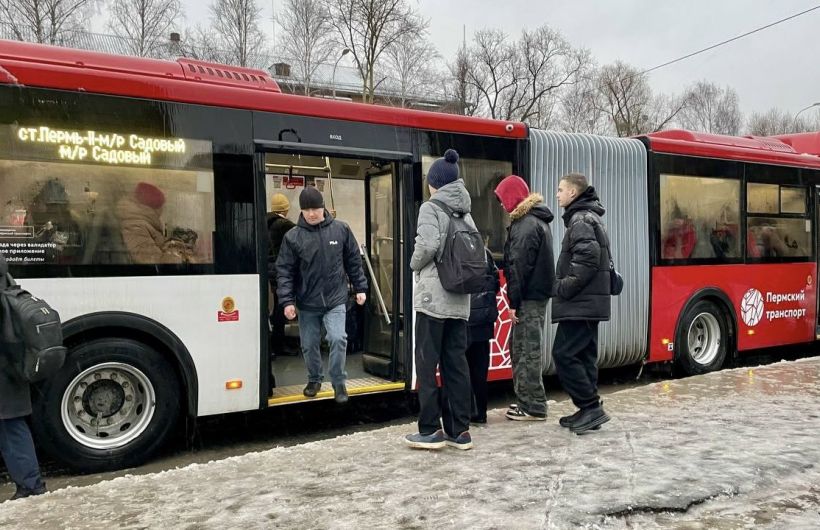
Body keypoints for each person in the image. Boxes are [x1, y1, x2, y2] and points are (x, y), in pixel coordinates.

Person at [404, 148, 474, 451]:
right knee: (455, 365)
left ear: (436, 183)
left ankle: (430, 429)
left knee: (427, 363)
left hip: (433, 299)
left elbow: (428, 244)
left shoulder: (431, 208)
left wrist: (413, 263)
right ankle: (460, 431)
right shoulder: (466, 210)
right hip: (460, 300)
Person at [276, 186, 368, 404]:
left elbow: (353, 260)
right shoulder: (292, 237)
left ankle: (338, 382)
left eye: (315, 208)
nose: (311, 213)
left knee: (338, 338)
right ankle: (314, 379)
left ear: (323, 207)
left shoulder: (341, 230)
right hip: (307, 302)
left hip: (336, 299)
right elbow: (285, 271)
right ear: (302, 211)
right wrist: (287, 301)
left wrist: (360, 287)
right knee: (309, 344)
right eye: (307, 209)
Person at [553, 172, 612, 434]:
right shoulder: (588, 217)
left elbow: (587, 259)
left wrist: (563, 287)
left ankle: (590, 406)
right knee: (584, 355)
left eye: (560, 189)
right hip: (589, 303)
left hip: (581, 303)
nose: (557, 194)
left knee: (564, 354)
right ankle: (589, 409)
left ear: (573, 193)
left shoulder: (580, 219)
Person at [494, 174, 555, 421]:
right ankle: (529, 401)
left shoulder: (525, 225)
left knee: (525, 350)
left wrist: (513, 304)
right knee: (524, 348)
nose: (500, 204)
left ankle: (533, 405)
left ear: (512, 197)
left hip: (528, 299)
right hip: (535, 297)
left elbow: (518, 269)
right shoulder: (535, 221)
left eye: (501, 198)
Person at [0, 253, 47, 501]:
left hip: (4, 369)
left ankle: (31, 486)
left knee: (9, 426)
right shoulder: (7, 284)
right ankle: (30, 483)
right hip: (11, 366)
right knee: (10, 424)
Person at [117, 182, 193, 264]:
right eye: (161, 207)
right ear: (154, 208)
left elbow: (156, 248)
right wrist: (181, 259)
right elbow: (152, 261)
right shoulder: (135, 227)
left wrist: (170, 246)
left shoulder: (143, 223)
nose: (162, 211)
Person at [465, 248, 499, 424]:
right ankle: (480, 413)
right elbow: (496, 283)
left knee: (462, 367)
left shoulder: (456, 249)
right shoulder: (485, 252)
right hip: (484, 318)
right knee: (479, 369)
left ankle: (466, 412)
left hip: (465, 319)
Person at [266, 193, 296, 357]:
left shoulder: (265, 221)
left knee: (274, 306)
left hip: (268, 270)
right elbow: (303, 234)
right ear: (285, 209)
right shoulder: (284, 225)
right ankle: (279, 344)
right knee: (281, 307)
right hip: (280, 271)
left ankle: (274, 344)